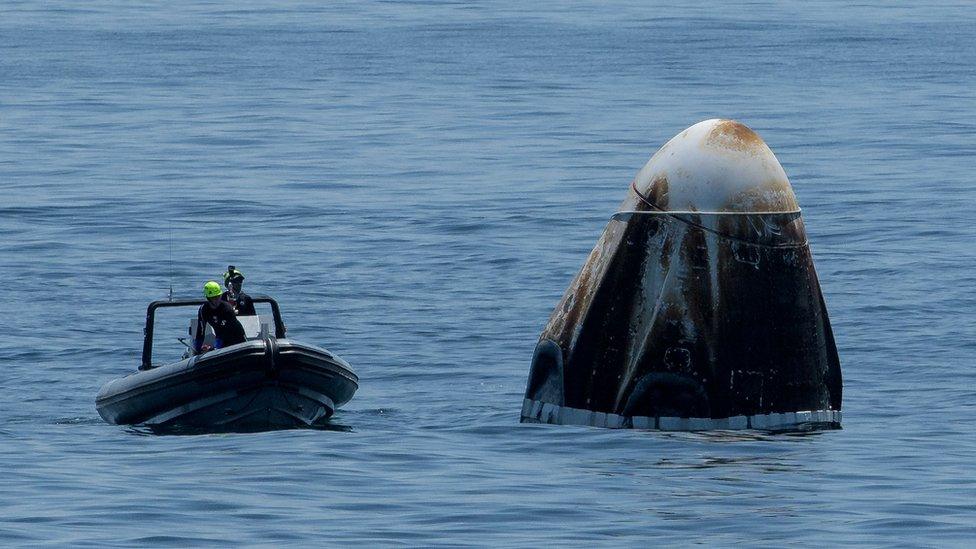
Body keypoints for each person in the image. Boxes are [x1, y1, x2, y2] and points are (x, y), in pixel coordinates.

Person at [195, 280, 247, 354]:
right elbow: (200, 330)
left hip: (236, 338)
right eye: (213, 298)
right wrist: (198, 349)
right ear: (208, 298)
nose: (217, 300)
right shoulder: (203, 310)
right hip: (220, 339)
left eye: (218, 297)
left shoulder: (227, 309)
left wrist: (214, 348)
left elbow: (225, 332)